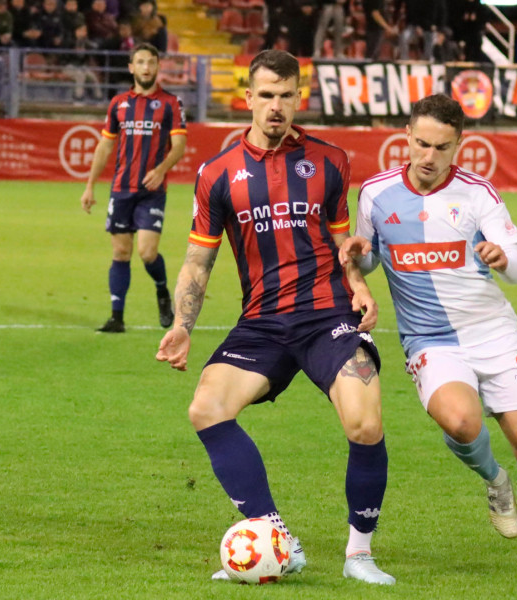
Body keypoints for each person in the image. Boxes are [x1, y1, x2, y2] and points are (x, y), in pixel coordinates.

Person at [155, 49, 395, 586]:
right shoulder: (217, 173)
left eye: (287, 96)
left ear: (299, 98)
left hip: (326, 316)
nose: (276, 106)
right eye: (266, 95)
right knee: (207, 407)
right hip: (262, 321)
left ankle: (360, 554)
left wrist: (357, 283)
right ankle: (276, 539)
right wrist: (182, 324)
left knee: (365, 420)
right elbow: (200, 257)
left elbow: (340, 240)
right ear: (249, 99)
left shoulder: (329, 161)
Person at [339, 94, 517, 584]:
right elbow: (370, 260)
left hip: (492, 332)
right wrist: (360, 254)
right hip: (430, 339)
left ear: (459, 144)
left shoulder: (477, 193)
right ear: (406, 136)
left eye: (441, 147)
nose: (429, 157)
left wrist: (502, 258)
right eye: (421, 144)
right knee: (463, 423)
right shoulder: (377, 194)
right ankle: (495, 480)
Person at [80, 43, 187, 333]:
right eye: (140, 62)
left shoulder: (170, 104)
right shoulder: (118, 104)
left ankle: (162, 291)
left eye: (151, 62)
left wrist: (160, 170)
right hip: (121, 189)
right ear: (131, 67)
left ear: (157, 66)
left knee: (147, 252)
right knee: (120, 253)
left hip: (152, 189)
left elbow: (179, 146)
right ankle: (117, 317)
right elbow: (105, 146)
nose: (146, 67)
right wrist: (90, 186)